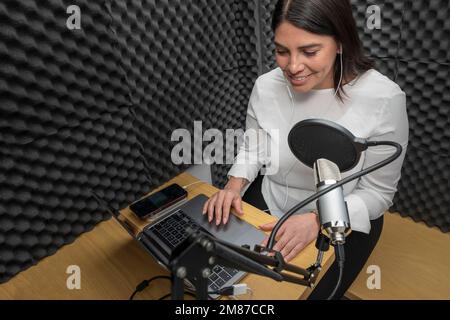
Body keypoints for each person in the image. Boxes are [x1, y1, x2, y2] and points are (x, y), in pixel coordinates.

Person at [202, 0, 409, 299]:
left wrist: (317, 220)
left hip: (343, 217)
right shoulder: (265, 85)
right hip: (272, 200)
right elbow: (255, 146)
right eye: (282, 51)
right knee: (221, 282)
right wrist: (234, 186)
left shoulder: (384, 98)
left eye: (309, 52)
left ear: (340, 43)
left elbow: (379, 194)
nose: (293, 67)